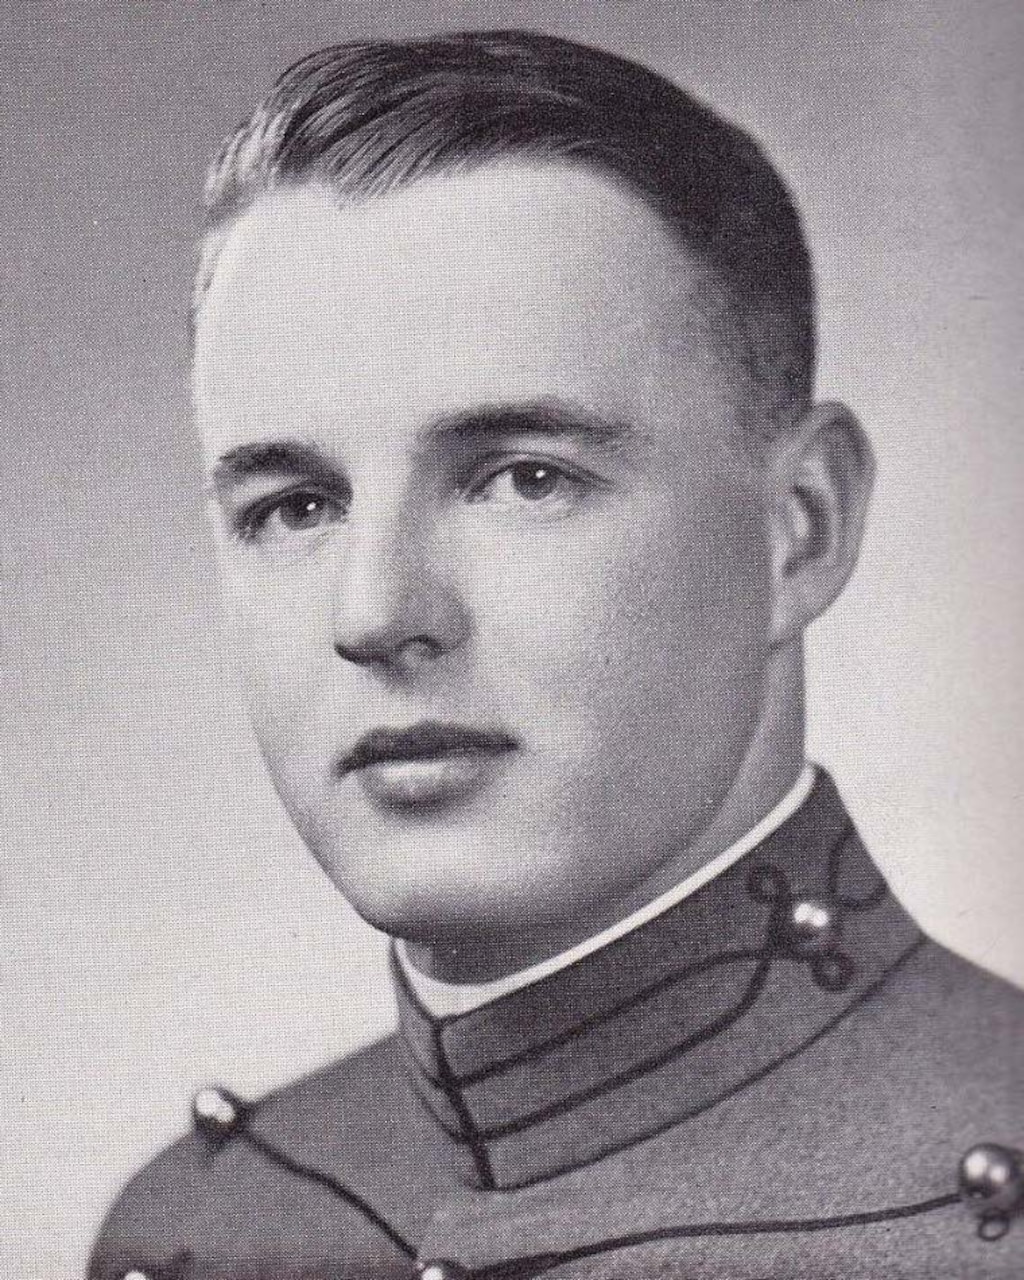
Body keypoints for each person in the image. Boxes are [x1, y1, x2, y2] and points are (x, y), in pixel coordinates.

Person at [89, 29, 1023, 1280]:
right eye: (295, 505)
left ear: (798, 529)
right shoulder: (205, 1231)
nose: (375, 611)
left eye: (524, 478)